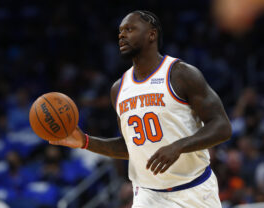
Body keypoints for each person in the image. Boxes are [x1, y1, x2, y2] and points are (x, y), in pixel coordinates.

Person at [50, 10, 232, 207]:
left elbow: (222, 127)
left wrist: (179, 146)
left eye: (129, 29)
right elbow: (131, 148)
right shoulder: (118, 88)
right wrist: (85, 142)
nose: (121, 35)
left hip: (194, 192)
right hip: (148, 196)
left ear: (151, 34)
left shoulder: (180, 74)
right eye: (120, 31)